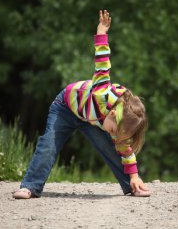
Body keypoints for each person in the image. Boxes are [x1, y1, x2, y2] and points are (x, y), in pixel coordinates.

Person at [13, 10, 151, 199]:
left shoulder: (121, 123)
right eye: (113, 131)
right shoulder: (103, 92)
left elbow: (124, 148)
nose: (113, 135)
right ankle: (30, 186)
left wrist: (134, 175)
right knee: (48, 144)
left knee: (112, 149)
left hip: (89, 118)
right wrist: (101, 32)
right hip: (65, 107)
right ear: (111, 115)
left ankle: (132, 187)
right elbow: (103, 61)